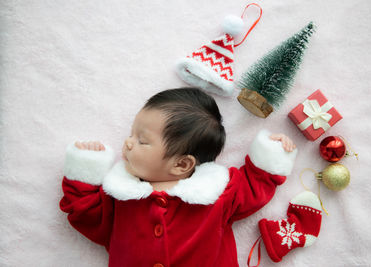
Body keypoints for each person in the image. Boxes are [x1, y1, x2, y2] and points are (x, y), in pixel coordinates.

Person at [60, 87, 297, 267]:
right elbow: (86, 215)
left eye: (142, 140)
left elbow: (254, 187)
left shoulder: (218, 191)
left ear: (182, 164)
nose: (128, 143)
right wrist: (85, 169)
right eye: (132, 134)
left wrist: (271, 154)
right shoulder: (119, 196)